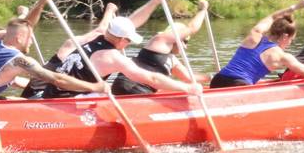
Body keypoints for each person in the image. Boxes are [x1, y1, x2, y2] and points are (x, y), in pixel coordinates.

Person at [0, 4, 112, 99]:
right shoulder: (19, 61)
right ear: (19, 38)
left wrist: (30, 9)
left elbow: (16, 26)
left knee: (14, 100)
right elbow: (57, 79)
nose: (31, 40)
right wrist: (95, 87)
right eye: (30, 37)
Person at [40, 13, 204, 99]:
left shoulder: (95, 39)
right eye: (128, 40)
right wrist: (187, 88)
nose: (129, 44)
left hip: (50, 93)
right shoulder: (112, 56)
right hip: (67, 99)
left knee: (107, 90)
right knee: (106, 94)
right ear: (119, 38)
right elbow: (151, 79)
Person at [210, 0, 304, 88]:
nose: (290, 43)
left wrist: (295, 7)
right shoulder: (281, 56)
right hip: (238, 86)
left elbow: (271, 17)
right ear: (285, 36)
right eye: (291, 40)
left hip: (218, 80)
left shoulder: (254, 35)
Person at [112, 0, 211, 95]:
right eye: (185, 41)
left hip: (128, 88)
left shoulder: (172, 60)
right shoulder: (160, 40)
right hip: (133, 87)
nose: (185, 46)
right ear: (177, 38)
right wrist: (203, 10)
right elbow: (192, 28)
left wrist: (211, 77)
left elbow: (189, 78)